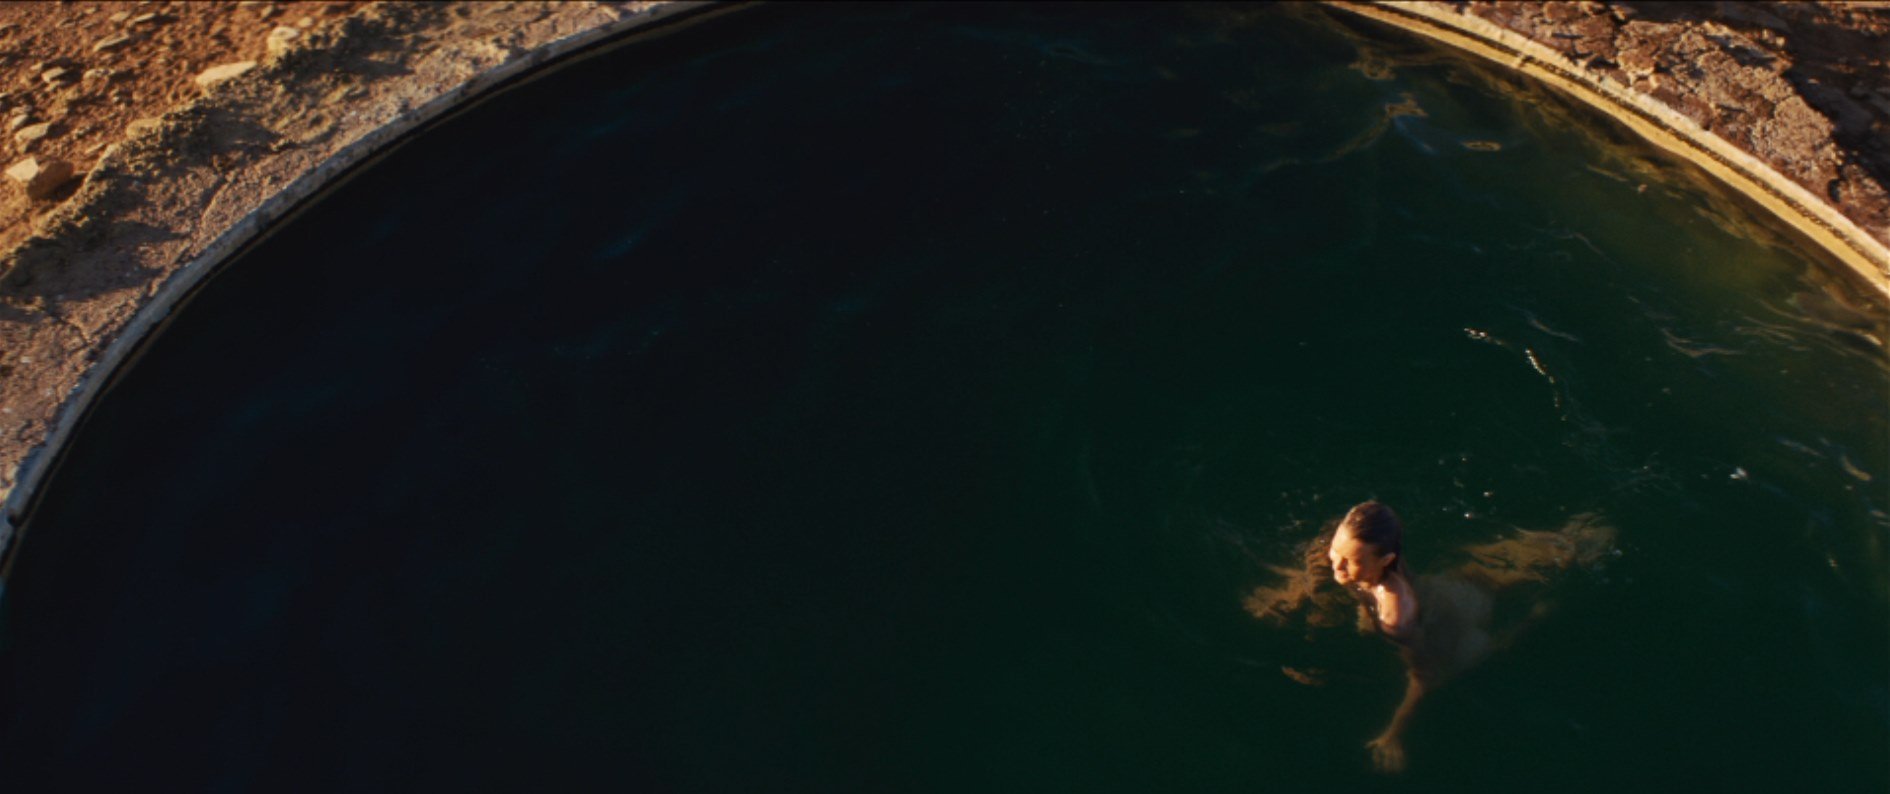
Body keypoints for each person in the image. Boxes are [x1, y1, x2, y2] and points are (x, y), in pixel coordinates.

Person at [1245, 500, 1614, 773]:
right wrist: (1289, 593)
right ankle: (1584, 531)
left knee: (1487, 646)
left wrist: (1394, 733)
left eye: (1350, 561)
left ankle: (1538, 611)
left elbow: (1425, 675)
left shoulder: (1396, 616)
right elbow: (1329, 558)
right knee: (1528, 560)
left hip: (1459, 619)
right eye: (1336, 552)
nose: (1336, 565)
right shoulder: (1360, 558)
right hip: (1451, 586)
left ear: (1385, 561)